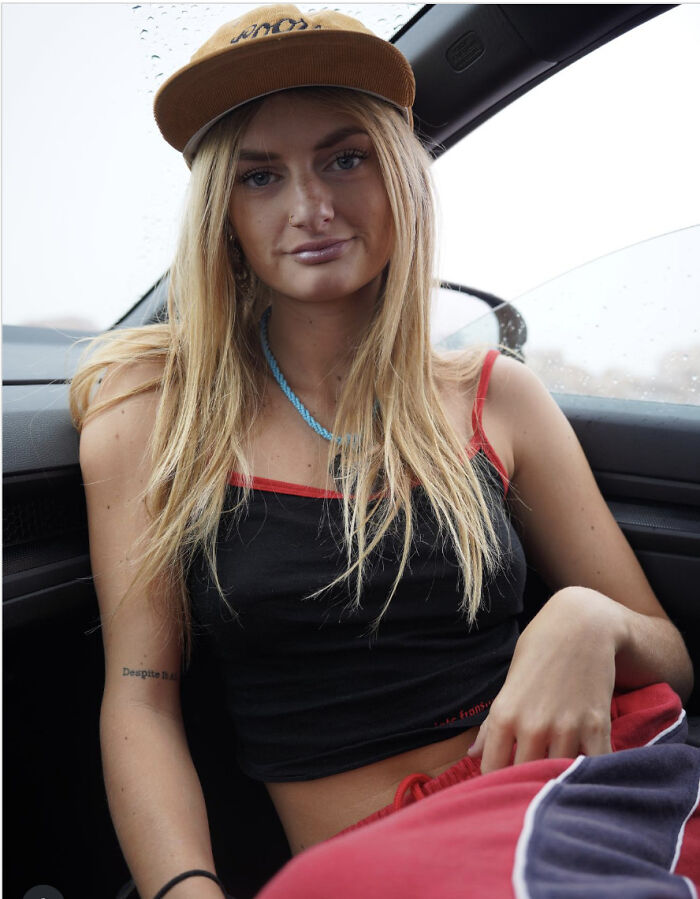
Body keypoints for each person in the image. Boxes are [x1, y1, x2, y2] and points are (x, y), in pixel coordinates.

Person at [70, 6, 698, 899]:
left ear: (398, 175)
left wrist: (588, 618)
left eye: (344, 159)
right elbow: (141, 700)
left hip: (578, 799)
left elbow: (669, 656)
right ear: (224, 215)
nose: (310, 208)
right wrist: (187, 891)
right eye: (261, 176)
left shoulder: (494, 396)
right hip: (370, 868)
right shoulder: (151, 415)